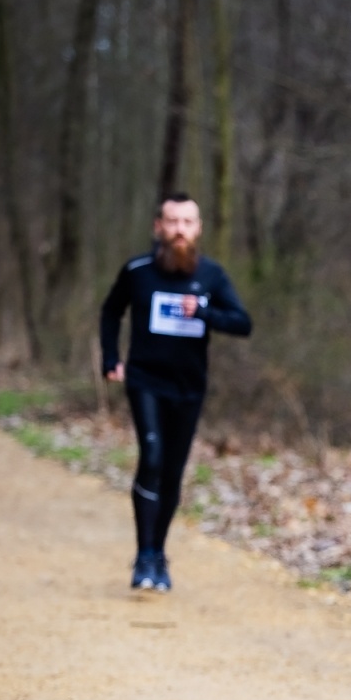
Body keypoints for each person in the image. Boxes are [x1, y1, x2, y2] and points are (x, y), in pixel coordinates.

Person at [100, 192, 251, 591]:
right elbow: (111, 310)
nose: (179, 230)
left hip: (188, 388)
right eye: (172, 222)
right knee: (151, 456)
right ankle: (143, 554)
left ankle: (159, 554)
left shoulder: (212, 276)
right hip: (144, 379)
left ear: (198, 229)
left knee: (172, 472)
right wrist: (110, 357)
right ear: (158, 227)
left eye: (187, 222)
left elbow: (243, 323)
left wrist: (203, 311)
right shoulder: (138, 271)